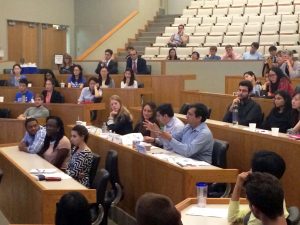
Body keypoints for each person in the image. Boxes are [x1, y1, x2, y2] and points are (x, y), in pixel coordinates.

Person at [228, 150, 288, 225]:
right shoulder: (277, 193)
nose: (249, 172)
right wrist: (238, 184)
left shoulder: (256, 219)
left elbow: (232, 218)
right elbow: (233, 217)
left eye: (251, 169)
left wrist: (238, 186)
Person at [145, 103, 214, 163]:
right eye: (187, 113)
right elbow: (173, 139)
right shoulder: (188, 127)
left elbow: (187, 152)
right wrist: (157, 132)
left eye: (190, 114)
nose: (186, 116)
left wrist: (168, 137)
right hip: (185, 160)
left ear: (199, 118)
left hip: (201, 167)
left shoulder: (204, 133)